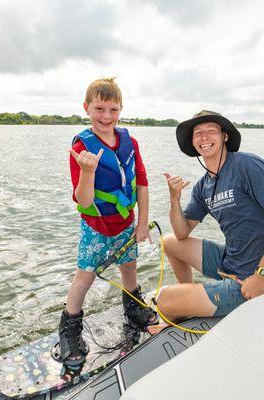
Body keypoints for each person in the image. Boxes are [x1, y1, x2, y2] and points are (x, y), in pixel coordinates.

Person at [156, 110, 264, 321]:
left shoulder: (246, 165)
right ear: (193, 142)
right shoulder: (203, 186)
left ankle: (190, 303)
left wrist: (262, 276)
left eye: (211, 131)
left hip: (256, 278)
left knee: (164, 300)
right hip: (231, 262)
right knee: (169, 242)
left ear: (225, 136)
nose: (204, 137)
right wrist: (174, 199)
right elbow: (181, 232)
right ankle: (193, 299)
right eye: (198, 133)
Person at [58, 77, 158, 367]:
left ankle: (133, 307)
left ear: (121, 109)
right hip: (96, 228)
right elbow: (85, 201)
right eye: (99, 109)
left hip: (127, 223)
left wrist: (142, 223)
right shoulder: (81, 146)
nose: (106, 117)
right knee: (84, 278)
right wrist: (87, 171)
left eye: (113, 110)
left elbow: (141, 182)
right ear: (86, 107)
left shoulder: (131, 142)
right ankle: (70, 328)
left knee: (129, 267)